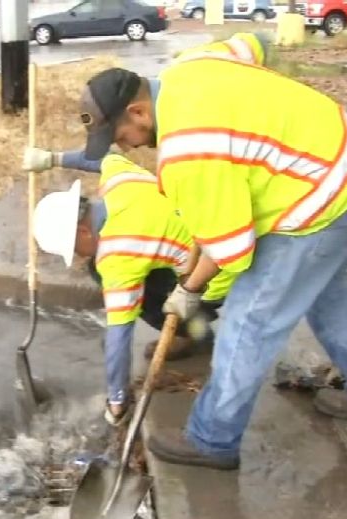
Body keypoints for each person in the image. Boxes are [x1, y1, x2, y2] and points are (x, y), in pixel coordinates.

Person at [62, 31, 347, 470]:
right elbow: (257, 41)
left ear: (138, 110)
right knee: (326, 293)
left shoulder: (187, 152)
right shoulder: (192, 63)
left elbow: (233, 253)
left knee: (249, 318)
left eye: (121, 136)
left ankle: (212, 438)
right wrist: (265, 120)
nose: (125, 147)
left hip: (321, 199)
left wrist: (188, 289)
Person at [31, 153, 234, 426]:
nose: (78, 256)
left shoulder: (118, 256)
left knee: (110, 278)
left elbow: (119, 333)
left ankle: (194, 332)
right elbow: (101, 158)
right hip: (221, 234)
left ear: (83, 232)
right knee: (122, 268)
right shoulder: (120, 179)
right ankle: (197, 327)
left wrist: (117, 400)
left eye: (75, 249)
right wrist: (54, 158)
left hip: (214, 275)